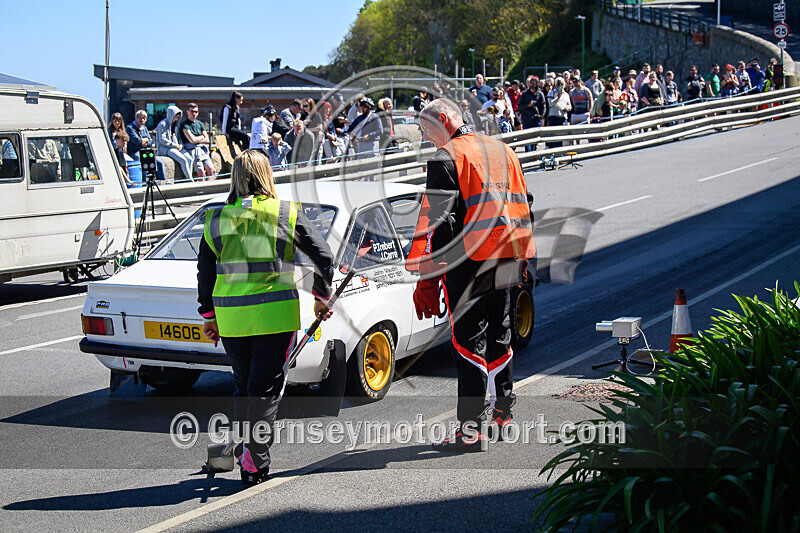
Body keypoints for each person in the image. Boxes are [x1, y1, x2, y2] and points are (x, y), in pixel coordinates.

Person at [198, 149, 334, 487]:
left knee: (244, 386)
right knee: (265, 392)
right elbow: (324, 256)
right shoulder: (285, 212)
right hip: (274, 318)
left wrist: (209, 316)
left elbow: (205, 273)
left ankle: (242, 448)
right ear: (267, 176)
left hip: (232, 320)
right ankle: (254, 462)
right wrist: (321, 298)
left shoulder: (216, 219)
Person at [405, 98, 535, 452]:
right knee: (500, 335)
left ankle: (470, 429)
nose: (426, 137)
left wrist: (430, 278)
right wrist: (525, 257)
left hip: (470, 262)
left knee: (468, 342)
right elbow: (524, 204)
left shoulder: (446, 158)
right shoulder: (504, 151)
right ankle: (503, 416)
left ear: (444, 119)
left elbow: (439, 224)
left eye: (426, 129)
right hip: (508, 254)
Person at [156, 105, 194, 182]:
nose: (178, 116)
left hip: (177, 147)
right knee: (183, 160)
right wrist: (174, 145)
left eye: (179, 114)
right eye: (176, 114)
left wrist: (181, 145)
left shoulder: (176, 125)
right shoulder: (163, 124)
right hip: (166, 148)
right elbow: (163, 140)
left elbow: (178, 137)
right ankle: (190, 180)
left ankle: (187, 176)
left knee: (189, 159)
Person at [179, 103, 216, 180]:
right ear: (188, 112)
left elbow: (207, 139)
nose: (194, 113)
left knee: (212, 171)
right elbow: (192, 140)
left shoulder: (200, 124)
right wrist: (202, 137)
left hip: (202, 149)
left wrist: (198, 139)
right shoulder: (185, 125)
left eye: (196, 111)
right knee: (201, 174)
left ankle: (209, 186)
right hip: (192, 150)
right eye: (192, 111)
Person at [546, 77, 571, 148]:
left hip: (563, 117)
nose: (560, 86)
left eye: (561, 84)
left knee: (562, 136)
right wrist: (558, 97)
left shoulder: (566, 94)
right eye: (558, 84)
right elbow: (551, 103)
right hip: (553, 117)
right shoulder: (551, 92)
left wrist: (567, 108)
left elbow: (570, 106)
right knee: (554, 136)